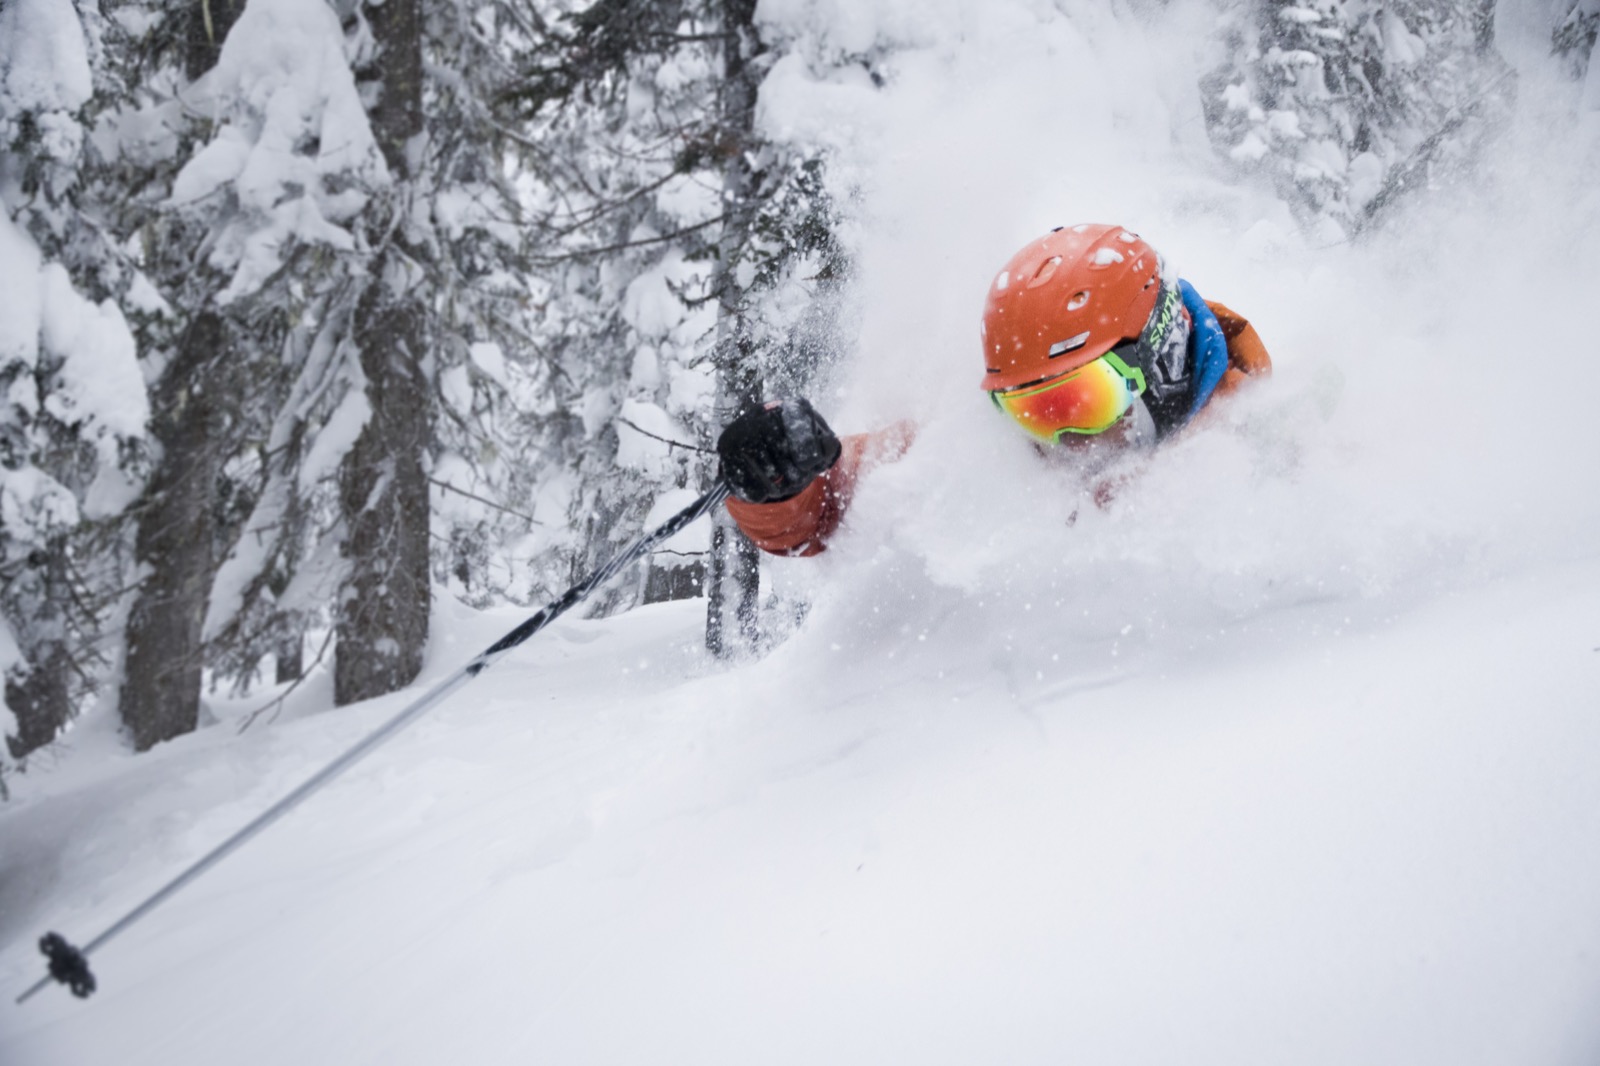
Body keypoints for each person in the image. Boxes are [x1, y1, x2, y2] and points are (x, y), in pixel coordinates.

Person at [714, 223, 1272, 556]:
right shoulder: (996, 454)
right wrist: (783, 483)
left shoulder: (1266, 447)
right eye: (1035, 412)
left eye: (1081, 402)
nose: (1066, 439)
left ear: (1163, 354)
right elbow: (839, 509)